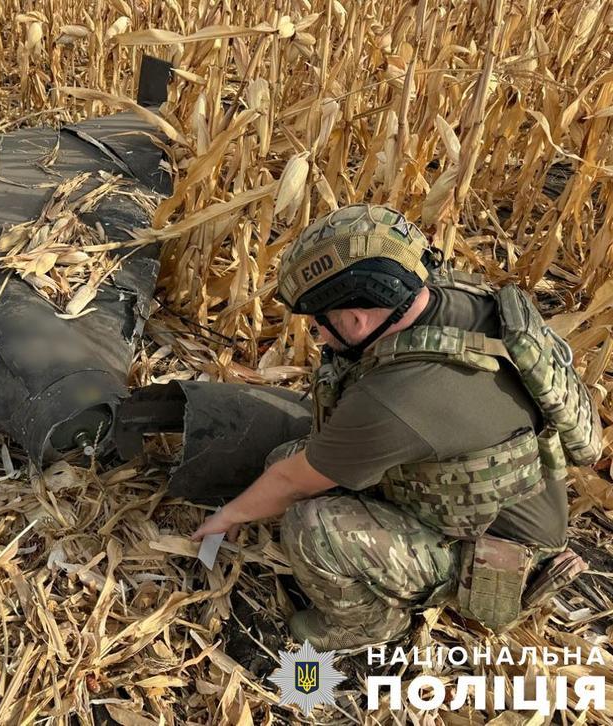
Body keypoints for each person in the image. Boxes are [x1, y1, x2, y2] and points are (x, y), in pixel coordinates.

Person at [192, 204, 598, 650]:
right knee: (285, 462)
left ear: (358, 318)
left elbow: (292, 483)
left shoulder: (399, 398)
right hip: (479, 494)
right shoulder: (453, 299)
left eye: (320, 323)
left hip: (499, 558)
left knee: (315, 526)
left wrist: (227, 516)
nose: (319, 337)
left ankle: (367, 626)